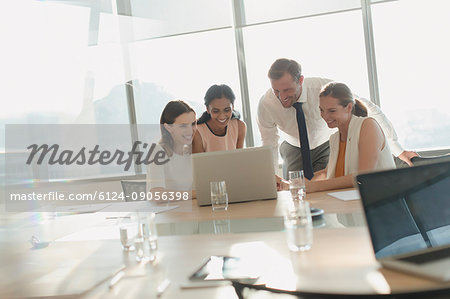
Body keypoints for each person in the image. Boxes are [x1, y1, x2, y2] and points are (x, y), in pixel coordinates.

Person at [257, 58, 418, 179]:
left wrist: (398, 150)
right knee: (296, 189)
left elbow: (369, 107)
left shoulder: (324, 88)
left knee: (326, 186)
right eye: (276, 90)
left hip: (324, 142)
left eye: (287, 90)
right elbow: (269, 144)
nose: (282, 97)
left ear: (300, 80)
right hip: (293, 146)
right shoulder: (267, 104)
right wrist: (270, 177)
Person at [305, 82, 395, 192]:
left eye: (332, 111)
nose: (325, 116)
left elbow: (363, 176)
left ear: (349, 107)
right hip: (349, 202)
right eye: (321, 110)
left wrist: (315, 186)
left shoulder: (368, 125)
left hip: (379, 201)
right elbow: (327, 172)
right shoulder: (335, 138)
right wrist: (295, 184)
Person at [146, 100, 197, 197]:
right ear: (168, 127)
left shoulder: (189, 154)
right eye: (183, 126)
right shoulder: (157, 151)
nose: (190, 130)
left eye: (193, 124)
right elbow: (157, 194)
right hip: (166, 211)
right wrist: (194, 194)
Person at [192, 84, 247, 153]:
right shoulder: (197, 132)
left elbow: (240, 159)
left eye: (227, 110)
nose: (222, 116)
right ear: (208, 109)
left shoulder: (240, 127)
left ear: (232, 107)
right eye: (216, 111)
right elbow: (198, 163)